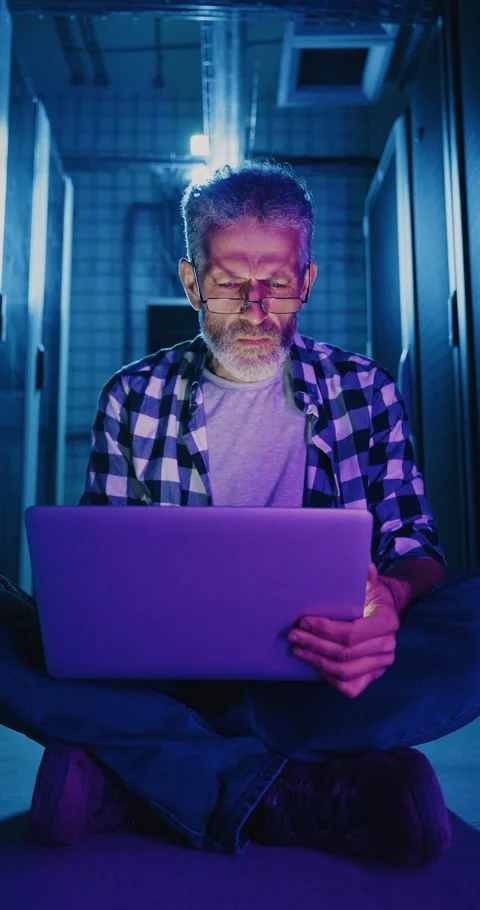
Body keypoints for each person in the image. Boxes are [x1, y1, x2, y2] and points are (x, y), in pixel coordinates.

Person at [1, 159, 479, 866]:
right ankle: (296, 788)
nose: (255, 307)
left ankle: (142, 766)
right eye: (228, 283)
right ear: (192, 282)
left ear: (306, 282)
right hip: (163, 675)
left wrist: (393, 599)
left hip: (324, 673)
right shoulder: (131, 397)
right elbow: (95, 575)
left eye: (277, 283)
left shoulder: (366, 392)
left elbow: (415, 543)